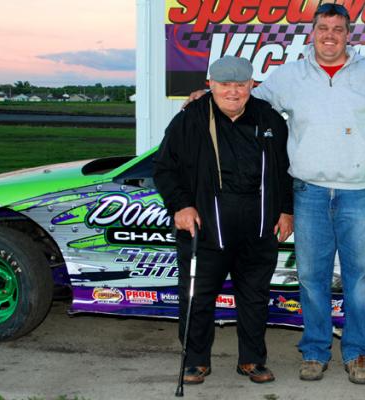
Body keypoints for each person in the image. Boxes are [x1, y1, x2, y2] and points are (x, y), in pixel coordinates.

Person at [184, 3, 365, 385]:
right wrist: (205, 96)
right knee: (312, 277)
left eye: (337, 28)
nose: (330, 35)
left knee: (360, 278)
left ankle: (358, 353)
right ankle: (315, 351)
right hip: (309, 191)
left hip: (359, 193)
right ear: (312, 32)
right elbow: (247, 98)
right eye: (323, 28)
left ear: (349, 34)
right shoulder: (289, 76)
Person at [153, 56, 293, 385]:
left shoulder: (270, 119)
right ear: (211, 85)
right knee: (197, 296)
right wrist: (181, 206)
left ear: (251, 86)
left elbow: (286, 169)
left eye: (240, 85)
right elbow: (165, 168)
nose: (233, 91)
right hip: (205, 226)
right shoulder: (190, 119)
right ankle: (195, 361)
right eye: (225, 85)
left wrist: (287, 210)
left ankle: (252, 360)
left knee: (254, 296)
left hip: (258, 225)